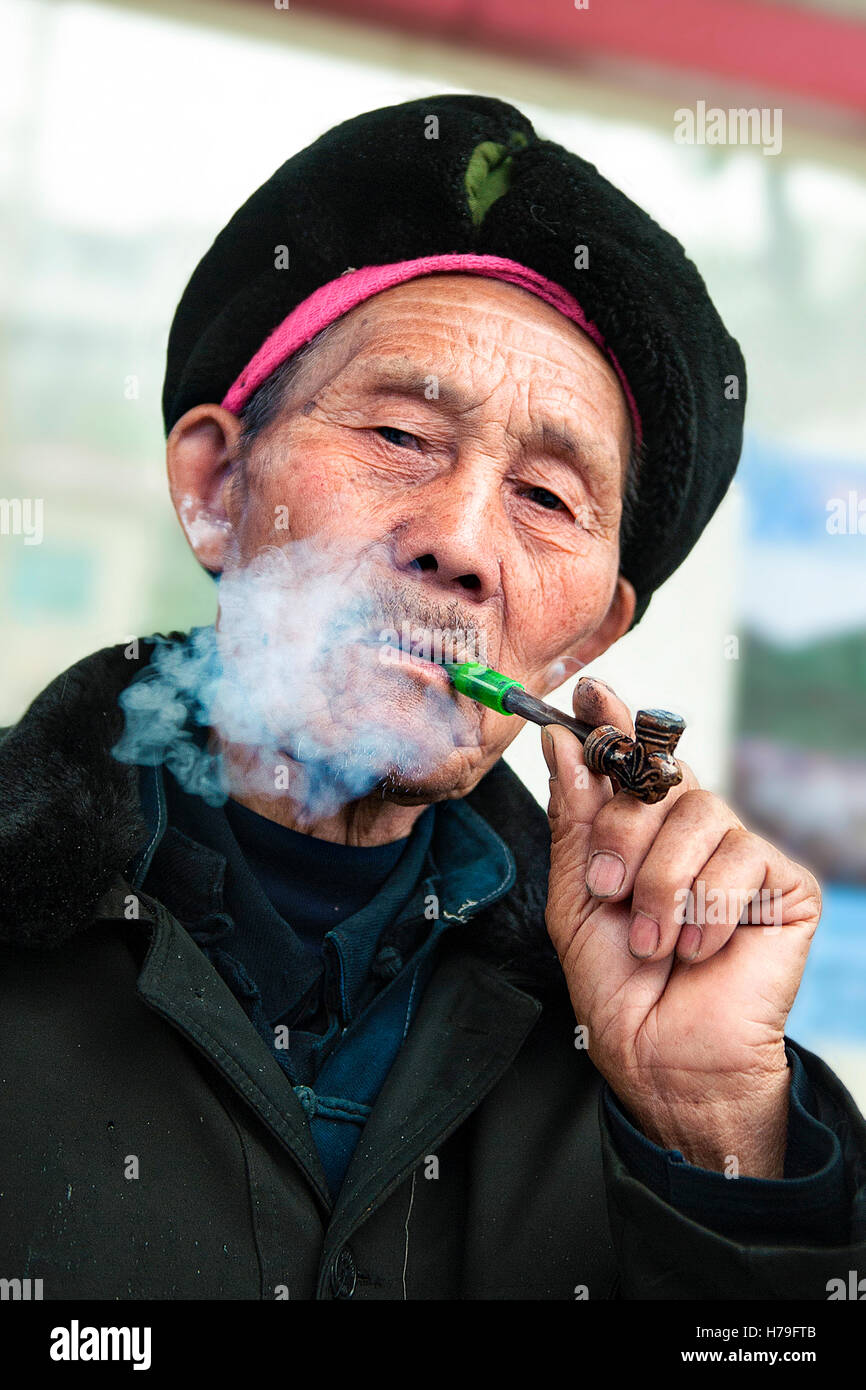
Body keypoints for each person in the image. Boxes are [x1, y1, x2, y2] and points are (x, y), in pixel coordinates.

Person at [1, 94, 863, 1300]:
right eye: (401, 433)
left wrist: (710, 1127)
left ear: (588, 636)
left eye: (549, 499)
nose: (459, 542)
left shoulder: (642, 1030)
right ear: (214, 487)